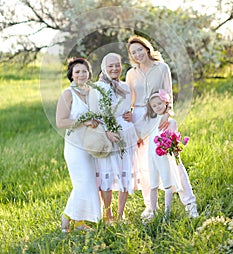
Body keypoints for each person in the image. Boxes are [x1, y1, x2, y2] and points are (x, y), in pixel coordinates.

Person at [126, 35, 198, 219]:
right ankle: (150, 207)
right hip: (139, 120)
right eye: (133, 52)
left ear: (147, 48)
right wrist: (126, 114)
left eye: (139, 49)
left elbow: (169, 94)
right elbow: (129, 100)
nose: (137, 54)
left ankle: (189, 203)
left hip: (160, 117)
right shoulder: (131, 73)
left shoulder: (162, 67)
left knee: (173, 160)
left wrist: (167, 113)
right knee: (144, 166)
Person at [89, 53, 139, 222]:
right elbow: (95, 115)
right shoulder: (97, 87)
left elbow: (129, 108)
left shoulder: (125, 86)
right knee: (106, 174)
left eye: (117, 65)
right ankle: (108, 213)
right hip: (107, 134)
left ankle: (120, 213)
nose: (114, 68)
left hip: (126, 133)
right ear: (104, 67)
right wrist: (106, 133)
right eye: (110, 65)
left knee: (125, 173)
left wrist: (131, 114)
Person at [56, 57, 101, 232]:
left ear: (89, 74)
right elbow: (61, 122)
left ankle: (79, 222)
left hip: (91, 144)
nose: (81, 74)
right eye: (77, 72)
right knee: (83, 182)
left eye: (84, 71)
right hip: (75, 146)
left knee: (90, 182)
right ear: (72, 75)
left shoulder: (92, 92)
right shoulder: (68, 94)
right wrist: (85, 122)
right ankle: (66, 217)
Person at [146, 90, 183, 220]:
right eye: (154, 106)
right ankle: (153, 212)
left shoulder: (170, 122)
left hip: (163, 156)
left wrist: (173, 148)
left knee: (168, 183)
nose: (157, 107)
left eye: (160, 104)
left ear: (166, 102)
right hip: (152, 157)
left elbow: (174, 140)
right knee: (153, 184)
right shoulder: (152, 121)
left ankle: (167, 213)